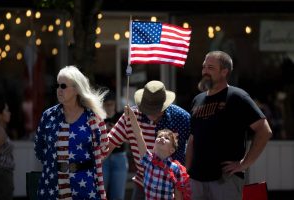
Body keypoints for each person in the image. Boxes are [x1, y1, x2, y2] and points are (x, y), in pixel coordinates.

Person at [186, 50, 272, 200]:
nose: (205, 71)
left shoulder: (237, 97)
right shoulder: (197, 100)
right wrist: (186, 172)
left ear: (224, 71)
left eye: (210, 68)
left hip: (225, 179)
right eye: (204, 67)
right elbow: (192, 140)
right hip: (196, 180)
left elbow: (264, 131)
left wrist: (244, 164)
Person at [107, 80, 191, 200]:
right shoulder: (132, 116)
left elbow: (197, 144)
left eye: (155, 108)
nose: (151, 112)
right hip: (143, 183)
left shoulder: (182, 118)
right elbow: (110, 144)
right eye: (148, 107)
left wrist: (181, 188)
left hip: (172, 187)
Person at [34, 65, 109, 200]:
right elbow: (39, 150)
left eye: (63, 86)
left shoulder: (94, 118)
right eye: (57, 86)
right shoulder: (48, 116)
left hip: (84, 186)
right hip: (52, 185)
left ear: (76, 90)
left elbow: (103, 148)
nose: (58, 90)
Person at [125, 104, 191, 200]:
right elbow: (138, 135)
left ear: (172, 150)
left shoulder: (176, 169)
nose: (162, 138)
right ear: (154, 145)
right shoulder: (148, 160)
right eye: (159, 137)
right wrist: (131, 116)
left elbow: (178, 196)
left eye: (167, 138)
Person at [102, 91, 128, 200]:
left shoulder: (120, 117)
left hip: (119, 157)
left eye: (111, 104)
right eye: (106, 104)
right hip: (103, 158)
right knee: (101, 193)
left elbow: (129, 138)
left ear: (115, 104)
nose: (109, 107)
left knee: (117, 195)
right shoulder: (99, 118)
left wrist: (115, 133)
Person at [0, 96, 14, 200]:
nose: (9, 113)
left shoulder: (1, 130)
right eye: (6, 110)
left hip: (4, 177)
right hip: (0, 177)